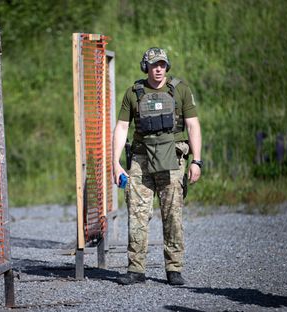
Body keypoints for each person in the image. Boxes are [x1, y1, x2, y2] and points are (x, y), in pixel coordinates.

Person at [113, 47, 202, 286]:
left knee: (172, 215)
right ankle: (136, 270)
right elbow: (122, 128)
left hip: (172, 160)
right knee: (137, 214)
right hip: (140, 161)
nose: (159, 69)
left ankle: (174, 268)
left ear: (167, 66)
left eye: (162, 64)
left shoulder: (180, 90)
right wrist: (115, 163)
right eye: (154, 65)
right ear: (146, 67)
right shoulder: (133, 93)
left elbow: (193, 126)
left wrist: (197, 161)